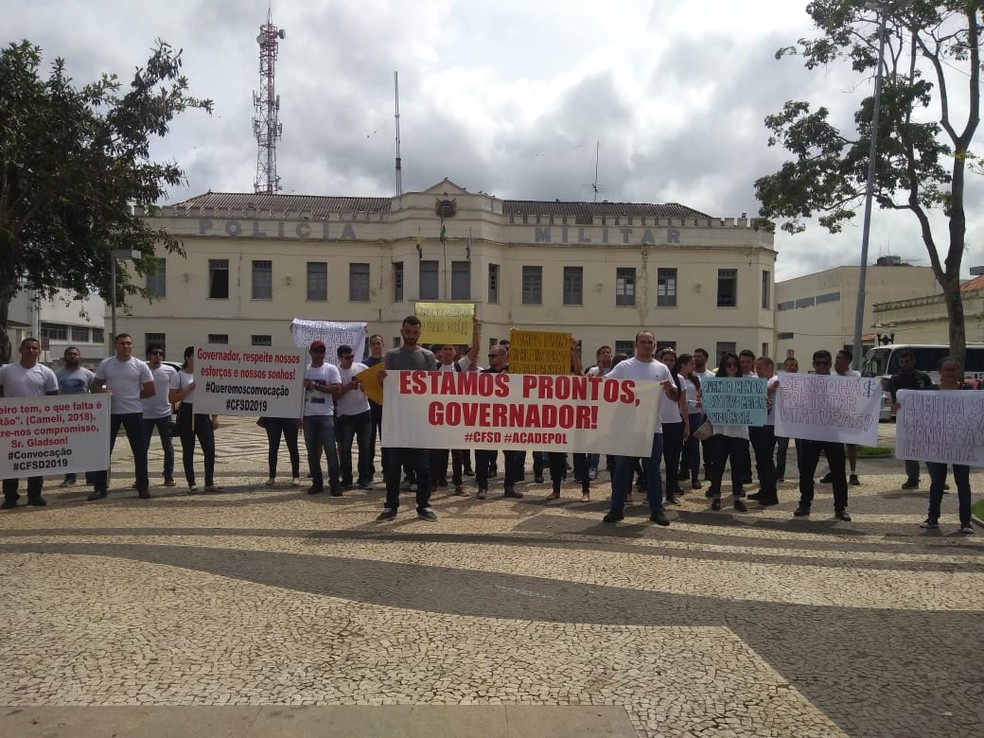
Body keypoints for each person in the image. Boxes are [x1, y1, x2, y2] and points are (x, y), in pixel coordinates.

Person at [602, 330, 677, 526]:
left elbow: (674, 396)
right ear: (636, 344)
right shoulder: (624, 367)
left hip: (653, 428)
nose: (646, 345)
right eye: (643, 342)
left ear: (654, 345)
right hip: (626, 428)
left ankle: (656, 510)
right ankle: (616, 508)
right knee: (621, 470)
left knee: (653, 470)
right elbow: (604, 386)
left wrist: (670, 388)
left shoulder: (661, 368)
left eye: (649, 342)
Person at [377, 315, 438, 521]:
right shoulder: (392, 356)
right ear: (402, 332)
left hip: (419, 421)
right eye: (408, 332)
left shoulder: (428, 357)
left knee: (423, 468)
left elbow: (434, 387)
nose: (411, 336)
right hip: (397, 421)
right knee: (393, 467)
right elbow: (387, 388)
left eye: (415, 332)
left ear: (420, 333)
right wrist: (381, 381)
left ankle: (423, 505)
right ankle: (390, 506)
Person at [88, 333, 155, 501]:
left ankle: (142, 487)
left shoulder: (140, 365)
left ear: (132, 346)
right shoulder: (107, 363)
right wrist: (103, 391)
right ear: (115, 345)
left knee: (140, 452)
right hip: (111, 413)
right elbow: (95, 385)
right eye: (122, 343)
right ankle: (100, 488)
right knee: (104, 452)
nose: (126, 346)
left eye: (129, 343)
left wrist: (134, 397)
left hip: (134, 413)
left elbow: (150, 389)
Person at [1, 338, 59, 509]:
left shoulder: (46, 372)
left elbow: (53, 398)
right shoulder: (6, 371)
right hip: (12, 424)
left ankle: (35, 495)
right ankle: (10, 497)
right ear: (20, 349)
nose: (31, 351)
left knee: (36, 460)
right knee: (11, 461)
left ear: (39, 351)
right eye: (28, 347)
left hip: (37, 425)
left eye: (35, 348)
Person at [919, 356, 974, 534]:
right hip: (938, 445)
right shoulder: (931, 391)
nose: (950, 373)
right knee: (937, 483)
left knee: (963, 483)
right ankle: (932, 518)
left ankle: (966, 521)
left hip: (961, 446)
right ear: (940, 372)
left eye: (953, 369)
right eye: (946, 370)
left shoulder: (967, 390)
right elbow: (919, 412)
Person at [794, 350, 851, 521]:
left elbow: (849, 403)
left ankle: (840, 508)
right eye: (818, 363)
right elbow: (796, 402)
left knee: (838, 472)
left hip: (833, 432)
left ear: (830, 363)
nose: (821, 366)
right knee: (806, 471)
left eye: (825, 363)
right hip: (811, 432)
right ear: (813, 364)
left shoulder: (839, 383)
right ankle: (805, 503)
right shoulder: (804, 383)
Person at [432, 316, 480, 494]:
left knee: (458, 453)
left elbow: (475, 349)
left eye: (450, 348)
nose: (447, 351)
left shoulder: (459, 367)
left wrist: (475, 327)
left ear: (455, 352)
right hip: (438, 415)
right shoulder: (433, 367)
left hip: (456, 415)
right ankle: (436, 481)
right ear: (440, 352)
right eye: (444, 348)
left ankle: (458, 483)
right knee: (438, 452)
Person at [473, 344, 525, 501]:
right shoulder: (483, 374)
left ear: (504, 357)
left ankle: (509, 486)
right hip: (488, 421)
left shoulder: (514, 374)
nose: (490, 358)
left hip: (508, 420)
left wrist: (510, 378)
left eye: (493, 356)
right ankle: (482, 487)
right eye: (489, 355)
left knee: (511, 455)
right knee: (482, 455)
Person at [168, 345, 220, 494]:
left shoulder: (205, 374)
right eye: (195, 356)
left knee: (209, 449)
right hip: (186, 412)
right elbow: (171, 398)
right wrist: (187, 390)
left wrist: (215, 417)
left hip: (202, 412)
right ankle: (191, 483)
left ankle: (209, 482)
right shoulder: (179, 375)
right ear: (187, 357)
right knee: (188, 450)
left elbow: (213, 397)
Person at [544, 338, 590, 503]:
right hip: (556, 420)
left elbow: (579, 372)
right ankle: (556, 489)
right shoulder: (551, 375)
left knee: (579, 457)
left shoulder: (575, 376)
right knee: (555, 457)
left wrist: (572, 350)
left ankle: (586, 490)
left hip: (575, 420)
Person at [704, 352, 750, 513]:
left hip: (739, 431)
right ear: (723, 366)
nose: (732, 367)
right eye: (728, 364)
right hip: (720, 430)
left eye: (734, 364)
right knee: (718, 465)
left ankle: (737, 496)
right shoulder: (714, 383)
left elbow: (754, 405)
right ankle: (716, 495)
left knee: (738, 466)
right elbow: (707, 405)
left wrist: (763, 403)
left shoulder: (747, 383)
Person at [888, 348, 935, 490]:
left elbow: (932, 395)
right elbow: (894, 398)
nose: (904, 364)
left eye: (907, 361)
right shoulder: (896, 379)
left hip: (925, 419)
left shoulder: (923, 377)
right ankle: (913, 478)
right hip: (907, 420)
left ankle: (937, 478)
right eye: (902, 362)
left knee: (929, 449)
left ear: (913, 361)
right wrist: (894, 406)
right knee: (910, 449)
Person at [301, 340, 342, 496]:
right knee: (312, 451)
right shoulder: (305, 370)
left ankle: (335, 484)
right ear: (311, 353)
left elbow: (337, 389)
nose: (319, 354)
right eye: (316, 351)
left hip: (326, 414)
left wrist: (315, 385)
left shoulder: (330, 369)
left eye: (322, 351)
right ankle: (317, 482)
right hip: (308, 415)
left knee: (331, 451)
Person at [819, 349, 861, 486]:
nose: (837, 361)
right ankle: (834, 470)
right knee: (834, 445)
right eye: (836, 358)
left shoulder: (855, 375)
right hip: (833, 416)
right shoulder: (831, 375)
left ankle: (853, 473)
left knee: (851, 444)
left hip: (848, 414)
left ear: (848, 360)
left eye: (840, 358)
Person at [335, 344, 373, 491]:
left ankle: (364, 478)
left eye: (351, 356)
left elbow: (374, 386)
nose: (350, 359)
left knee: (365, 448)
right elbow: (334, 396)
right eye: (347, 357)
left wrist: (365, 388)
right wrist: (348, 387)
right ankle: (346, 479)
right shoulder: (336, 372)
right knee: (345, 449)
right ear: (340, 358)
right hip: (345, 415)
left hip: (364, 413)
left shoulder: (362, 368)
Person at [56, 345, 95, 487]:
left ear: (79, 357)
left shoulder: (88, 374)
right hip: (64, 417)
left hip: (84, 417)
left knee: (87, 448)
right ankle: (70, 477)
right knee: (67, 448)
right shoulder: (57, 375)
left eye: (75, 354)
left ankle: (90, 476)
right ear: (65, 357)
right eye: (69, 354)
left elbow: (96, 392)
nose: (72, 356)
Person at [140, 342, 176, 488]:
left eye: (161, 353)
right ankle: (141, 478)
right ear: (149, 355)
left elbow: (175, 389)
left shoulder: (170, 371)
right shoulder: (141, 370)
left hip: (165, 414)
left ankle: (168, 476)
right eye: (155, 353)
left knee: (168, 447)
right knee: (142, 448)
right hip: (144, 415)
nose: (158, 356)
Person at [657, 348, 690, 506]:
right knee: (653, 462)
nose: (669, 363)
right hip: (656, 423)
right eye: (666, 360)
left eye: (671, 360)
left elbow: (683, 404)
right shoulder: (654, 376)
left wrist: (687, 425)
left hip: (675, 424)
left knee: (672, 461)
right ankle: (653, 493)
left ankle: (670, 494)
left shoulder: (679, 379)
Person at [747, 356, 779, 506]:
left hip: (769, 426)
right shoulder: (756, 381)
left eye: (759, 368)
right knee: (760, 460)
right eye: (756, 368)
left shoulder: (775, 380)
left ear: (769, 367)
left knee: (766, 460)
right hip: (755, 424)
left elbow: (771, 388)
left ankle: (771, 493)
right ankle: (763, 489)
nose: (756, 371)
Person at [585, 344, 614, 481]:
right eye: (603, 353)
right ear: (598, 356)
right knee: (596, 441)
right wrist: (601, 371)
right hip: (598, 408)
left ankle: (611, 465)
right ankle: (593, 467)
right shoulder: (594, 370)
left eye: (608, 352)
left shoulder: (616, 369)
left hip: (612, 410)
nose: (606, 355)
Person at [677, 353, 704, 490]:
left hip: (694, 415)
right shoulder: (677, 378)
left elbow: (699, 394)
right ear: (683, 364)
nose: (694, 366)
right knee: (678, 446)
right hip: (680, 414)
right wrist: (691, 402)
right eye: (691, 364)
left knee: (694, 446)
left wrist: (699, 401)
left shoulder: (696, 378)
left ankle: (695, 477)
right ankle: (679, 473)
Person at [775, 356, 800, 482]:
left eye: (794, 365)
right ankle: (779, 474)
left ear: (797, 368)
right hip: (783, 421)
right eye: (789, 365)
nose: (791, 367)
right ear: (785, 367)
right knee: (782, 448)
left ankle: (804, 474)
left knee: (801, 449)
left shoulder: (802, 381)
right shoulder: (778, 381)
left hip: (798, 420)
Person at [363, 333, 385, 480]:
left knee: (386, 440)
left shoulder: (389, 362)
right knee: (369, 441)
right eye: (374, 343)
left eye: (378, 343)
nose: (376, 346)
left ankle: (387, 470)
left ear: (382, 345)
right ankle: (368, 471)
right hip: (370, 406)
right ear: (370, 345)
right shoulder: (364, 364)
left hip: (385, 406)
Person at [260, 414, 301, 487]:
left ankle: (296, 476)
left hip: (290, 417)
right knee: (273, 448)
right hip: (273, 418)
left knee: (293, 447)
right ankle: (272, 476)